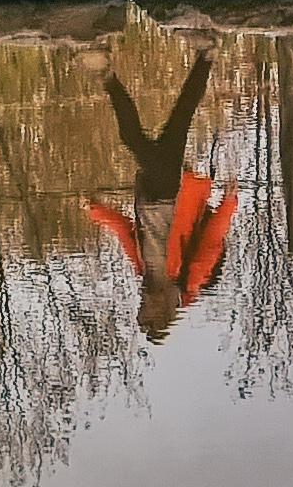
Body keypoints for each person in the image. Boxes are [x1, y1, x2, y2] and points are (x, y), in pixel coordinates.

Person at [87, 46, 237, 341]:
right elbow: (211, 242)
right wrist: (228, 204)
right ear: (166, 310)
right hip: (173, 193)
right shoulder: (186, 279)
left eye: (141, 307)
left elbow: (124, 231)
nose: (144, 301)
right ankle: (106, 74)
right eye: (149, 308)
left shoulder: (143, 271)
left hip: (148, 194)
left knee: (180, 118)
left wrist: (94, 210)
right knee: (133, 138)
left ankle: (206, 55)